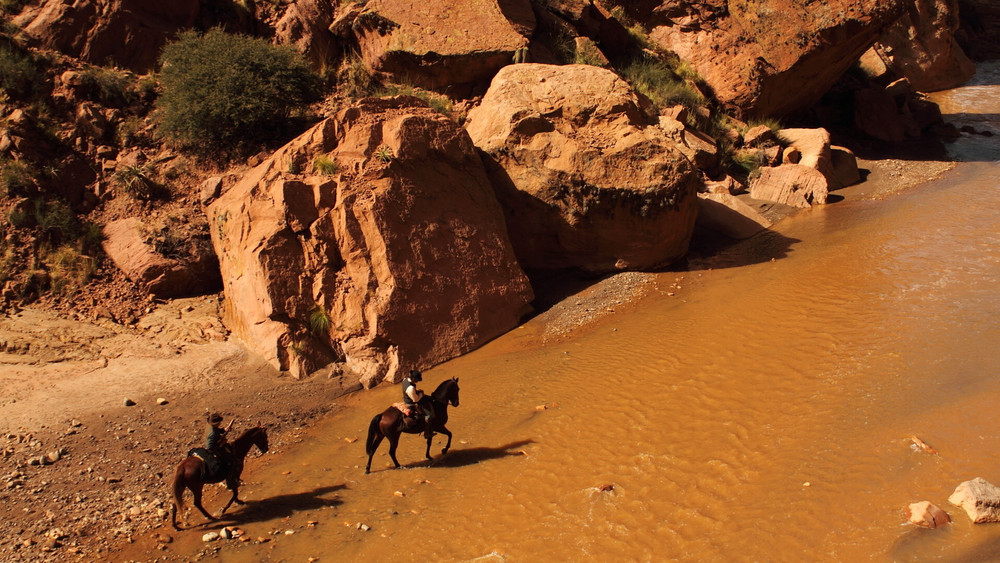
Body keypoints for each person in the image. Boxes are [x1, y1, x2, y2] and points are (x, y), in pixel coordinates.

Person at [402, 369, 434, 437]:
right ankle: (427, 433)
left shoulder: (405, 379)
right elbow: (415, 400)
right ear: (413, 378)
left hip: (407, 398)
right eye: (417, 380)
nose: (417, 381)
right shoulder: (410, 388)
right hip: (411, 404)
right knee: (428, 415)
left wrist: (417, 392)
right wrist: (421, 394)